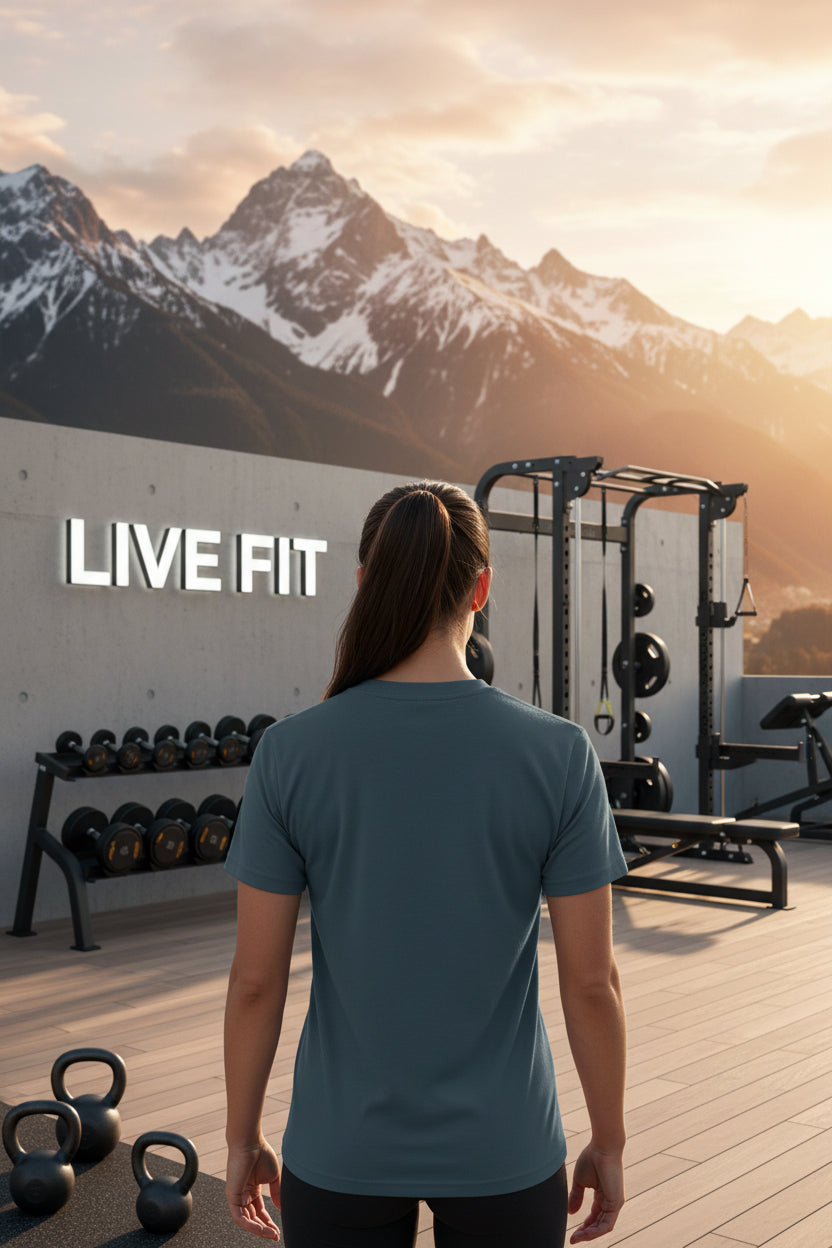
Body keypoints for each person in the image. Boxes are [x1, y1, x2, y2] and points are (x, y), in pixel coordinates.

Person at [223, 480, 627, 1247]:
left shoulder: (290, 752)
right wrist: (608, 1141)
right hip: (507, 1151)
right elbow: (591, 982)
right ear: (482, 588)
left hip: (340, 1151)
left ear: (365, 584)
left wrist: (243, 1136)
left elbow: (254, 981)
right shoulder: (560, 754)